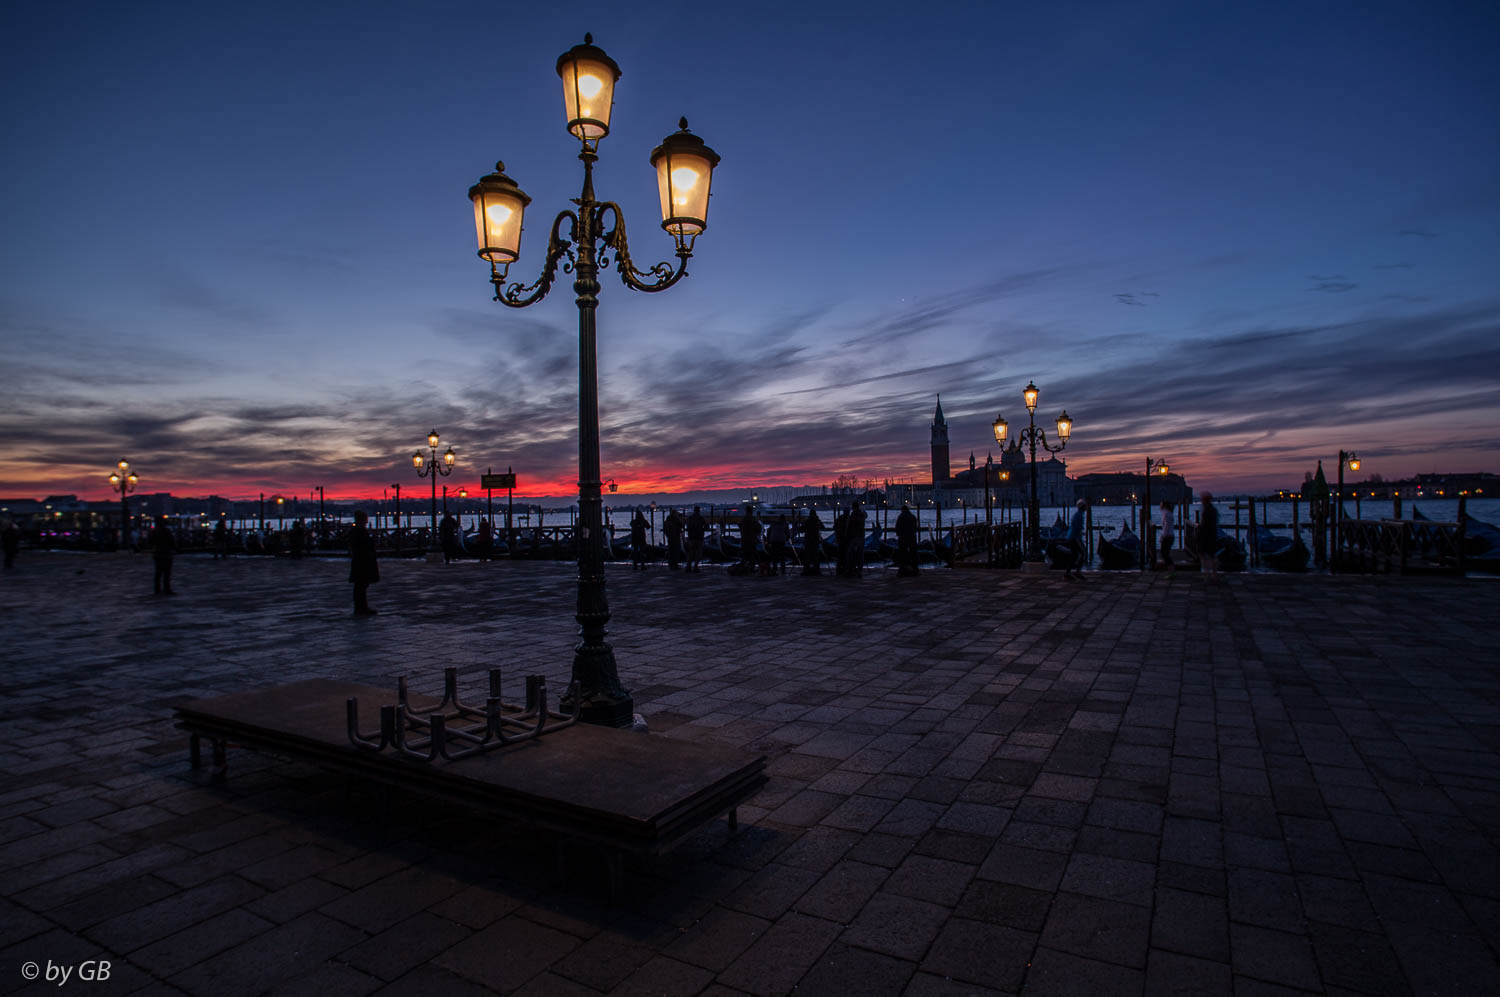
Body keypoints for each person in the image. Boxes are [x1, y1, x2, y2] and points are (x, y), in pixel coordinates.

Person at [348, 509, 379, 615]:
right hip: (362, 561)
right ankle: (361, 608)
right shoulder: (360, 531)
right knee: (361, 585)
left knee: (361, 585)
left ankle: (361, 607)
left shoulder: (357, 531)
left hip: (360, 560)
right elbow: (365, 545)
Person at [149, 515, 176, 594]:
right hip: (166, 553)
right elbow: (172, 541)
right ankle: (166, 589)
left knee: (158, 572)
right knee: (166, 572)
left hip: (157, 553)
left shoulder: (154, 531)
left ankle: (157, 589)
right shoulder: (166, 531)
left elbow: (150, 542)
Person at [1065, 499, 1088, 580]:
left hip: (1072, 537)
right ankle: (1076, 571)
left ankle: (1069, 572)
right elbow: (1076, 528)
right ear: (1082, 507)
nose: (1086, 507)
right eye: (1085, 506)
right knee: (1082, 553)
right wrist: (1078, 538)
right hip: (1074, 537)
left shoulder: (1078, 514)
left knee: (1075, 555)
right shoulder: (1079, 516)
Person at [1199, 492, 1220, 578]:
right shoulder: (1213, 510)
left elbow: (1205, 524)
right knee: (1210, 554)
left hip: (1207, 536)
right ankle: (1212, 573)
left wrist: (1200, 532)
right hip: (1212, 535)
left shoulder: (1207, 510)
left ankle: (1208, 572)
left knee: (1203, 554)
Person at [895, 503, 919, 576]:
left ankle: (902, 569)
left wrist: (898, 534)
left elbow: (897, 527)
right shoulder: (913, 516)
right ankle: (915, 569)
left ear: (902, 510)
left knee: (902, 553)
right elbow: (915, 527)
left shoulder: (901, 517)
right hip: (912, 537)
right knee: (913, 553)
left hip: (903, 537)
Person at [738, 506, 762, 575]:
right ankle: (751, 568)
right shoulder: (752, 519)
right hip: (751, 540)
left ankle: (746, 568)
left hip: (745, 539)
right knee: (752, 554)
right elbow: (758, 528)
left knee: (745, 554)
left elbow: (740, 526)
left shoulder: (744, 519)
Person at [846, 502, 868, 578]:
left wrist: (847, 535)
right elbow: (866, 516)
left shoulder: (853, 515)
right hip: (861, 536)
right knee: (860, 554)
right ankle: (859, 570)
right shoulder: (862, 514)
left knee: (852, 554)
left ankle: (852, 569)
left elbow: (849, 526)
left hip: (854, 537)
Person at [801, 509, 823, 575]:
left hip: (808, 540)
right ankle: (816, 570)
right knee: (816, 555)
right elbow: (822, 527)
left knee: (807, 555)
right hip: (815, 540)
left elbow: (802, 529)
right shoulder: (817, 520)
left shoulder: (807, 521)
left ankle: (806, 570)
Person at [686, 506, 707, 573]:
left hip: (691, 538)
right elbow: (707, 527)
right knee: (698, 553)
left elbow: (688, 527)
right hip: (699, 538)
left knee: (690, 553)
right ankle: (695, 567)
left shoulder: (690, 518)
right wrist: (702, 529)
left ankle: (688, 567)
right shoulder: (701, 518)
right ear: (699, 511)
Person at [1159, 500, 1176, 571]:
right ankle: (1170, 570)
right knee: (1165, 554)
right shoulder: (1169, 513)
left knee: (1164, 554)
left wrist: (1163, 536)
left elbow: (1166, 526)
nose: (1160, 506)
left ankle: (1171, 569)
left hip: (1167, 536)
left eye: (1161, 504)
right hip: (1170, 536)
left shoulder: (1166, 514)